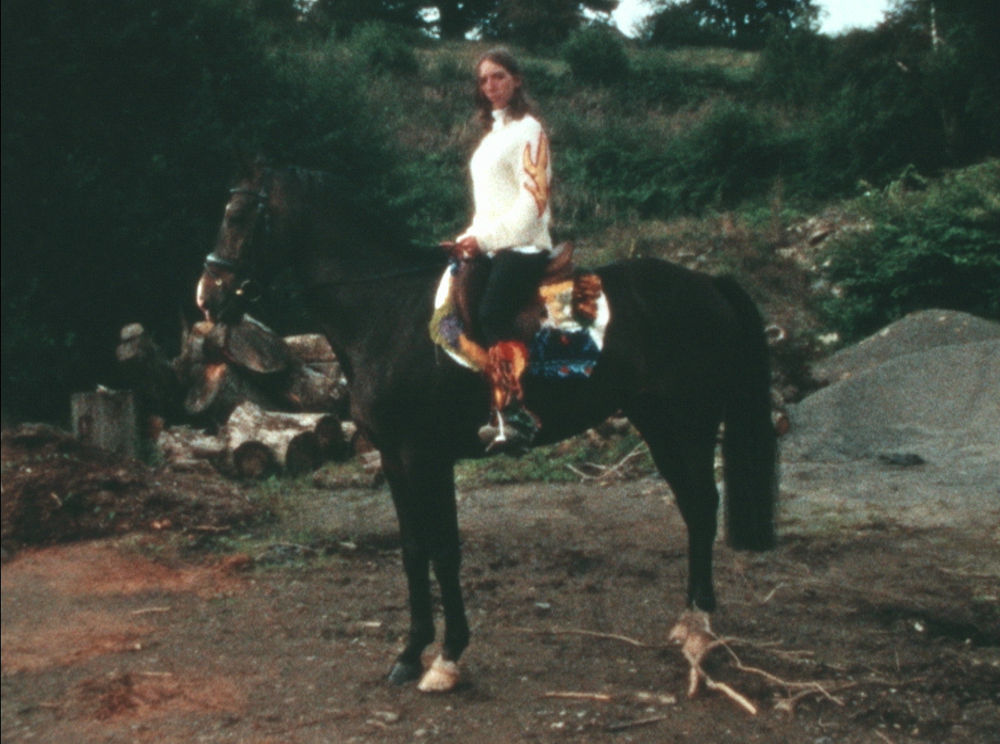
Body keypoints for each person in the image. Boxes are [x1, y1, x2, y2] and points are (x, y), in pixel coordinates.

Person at [451, 48, 553, 453]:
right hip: (493, 245)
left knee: (493, 312)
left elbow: (534, 202)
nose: (490, 86)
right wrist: (465, 238)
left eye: (498, 77)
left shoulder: (530, 130)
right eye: (484, 80)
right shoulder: (492, 136)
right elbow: (487, 208)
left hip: (524, 244)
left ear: (517, 80)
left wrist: (486, 240)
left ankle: (515, 413)